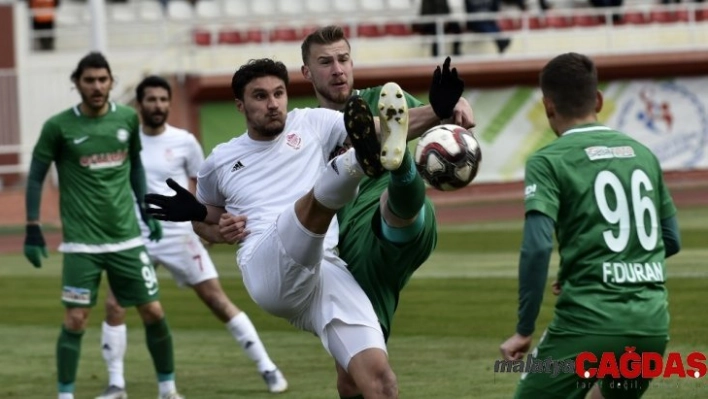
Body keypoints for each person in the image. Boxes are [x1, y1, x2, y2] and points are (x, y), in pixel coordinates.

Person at [145, 58, 462, 398]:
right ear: (240, 105)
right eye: (260, 96)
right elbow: (206, 219)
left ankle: (357, 163)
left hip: (325, 269)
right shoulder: (219, 161)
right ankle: (357, 163)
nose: (273, 104)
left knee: (378, 380)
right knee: (316, 201)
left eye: (279, 93)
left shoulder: (312, 122)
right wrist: (214, 228)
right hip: (267, 265)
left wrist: (438, 110)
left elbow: (383, 127)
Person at [296, 25, 474, 399]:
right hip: (354, 253)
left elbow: (445, 121)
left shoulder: (382, 97)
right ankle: (385, 153)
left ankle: (397, 166)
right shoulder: (304, 131)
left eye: (343, 59)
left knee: (394, 207)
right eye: (325, 62)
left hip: (395, 221)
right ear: (307, 73)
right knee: (354, 375)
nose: (338, 69)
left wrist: (453, 108)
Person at [499, 52, 681, 399]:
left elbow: (537, 246)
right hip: (651, 327)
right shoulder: (643, 154)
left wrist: (524, 330)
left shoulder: (547, 160)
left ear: (548, 106)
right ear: (598, 99)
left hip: (587, 324)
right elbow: (670, 238)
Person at [94, 76, 287, 399]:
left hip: (179, 236)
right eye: (151, 100)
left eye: (163, 99)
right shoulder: (125, 141)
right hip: (136, 236)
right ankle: (116, 384)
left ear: (169, 103)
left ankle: (267, 366)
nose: (158, 105)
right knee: (115, 304)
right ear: (140, 104)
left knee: (216, 300)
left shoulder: (184, 141)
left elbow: (203, 187)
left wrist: (205, 227)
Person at [23, 52, 184, 399]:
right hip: (82, 245)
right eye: (89, 80)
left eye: (102, 79)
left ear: (111, 82)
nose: (97, 86)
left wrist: (144, 209)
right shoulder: (58, 126)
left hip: (127, 240)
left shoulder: (127, 119)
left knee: (153, 310)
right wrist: (33, 226)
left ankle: (168, 389)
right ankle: (65, 394)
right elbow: (35, 177)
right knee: (76, 320)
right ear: (77, 83)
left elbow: (136, 166)